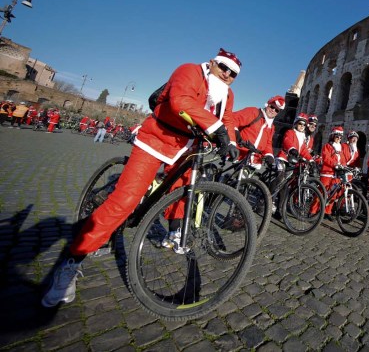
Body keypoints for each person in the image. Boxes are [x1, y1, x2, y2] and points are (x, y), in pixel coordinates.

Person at [42, 47, 242, 308]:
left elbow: (227, 120)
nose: (227, 75)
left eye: (233, 73)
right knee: (124, 202)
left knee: (184, 189)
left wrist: (232, 142)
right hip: (156, 139)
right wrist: (217, 129)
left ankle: (174, 231)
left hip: (186, 148)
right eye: (224, 68)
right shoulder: (190, 70)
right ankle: (71, 262)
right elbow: (180, 101)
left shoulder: (227, 94)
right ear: (214, 63)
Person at [233, 95, 284, 169]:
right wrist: (236, 134)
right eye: (272, 107)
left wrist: (269, 154)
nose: (273, 110)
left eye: (277, 110)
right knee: (225, 177)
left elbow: (268, 144)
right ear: (267, 105)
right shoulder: (253, 112)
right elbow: (233, 119)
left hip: (255, 160)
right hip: (238, 153)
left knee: (244, 180)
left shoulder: (271, 127)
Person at [316, 126, 345, 217]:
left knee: (333, 194)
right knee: (321, 192)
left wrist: (343, 167)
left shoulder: (340, 148)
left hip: (336, 174)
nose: (339, 139)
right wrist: (335, 164)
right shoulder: (327, 146)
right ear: (333, 136)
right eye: (337, 136)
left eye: (340, 137)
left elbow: (343, 159)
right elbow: (326, 157)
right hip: (327, 173)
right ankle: (314, 210)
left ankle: (327, 212)